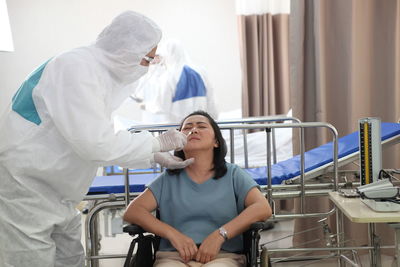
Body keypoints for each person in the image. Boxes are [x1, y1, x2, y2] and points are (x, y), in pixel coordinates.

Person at [0, 11, 194, 267]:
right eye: (148, 59)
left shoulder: (95, 73)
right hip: (27, 188)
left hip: (58, 193)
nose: (147, 67)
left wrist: (151, 154)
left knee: (71, 260)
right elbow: (96, 144)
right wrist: (157, 143)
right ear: (127, 50)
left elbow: (96, 137)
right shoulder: (76, 68)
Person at [123, 110, 272, 267]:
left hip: (224, 257)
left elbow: (262, 208)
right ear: (178, 142)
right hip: (173, 257)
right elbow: (133, 211)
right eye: (187, 128)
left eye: (201, 126)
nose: (194, 130)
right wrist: (173, 235)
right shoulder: (168, 179)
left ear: (216, 142)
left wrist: (220, 235)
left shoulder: (233, 175)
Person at [132, 39, 218, 123]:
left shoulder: (168, 76)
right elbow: (211, 100)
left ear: (167, 55)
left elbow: (162, 106)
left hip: (179, 126)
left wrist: (146, 106)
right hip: (200, 123)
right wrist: (213, 120)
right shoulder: (201, 72)